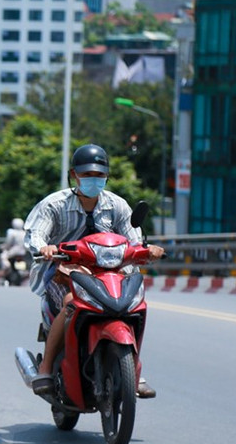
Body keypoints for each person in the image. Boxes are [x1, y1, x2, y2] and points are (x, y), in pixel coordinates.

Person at [23, 143, 164, 399]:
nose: (93, 180)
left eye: (99, 175)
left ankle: (133, 368)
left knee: (132, 306)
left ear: (106, 176)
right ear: (74, 175)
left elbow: (133, 239)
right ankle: (45, 369)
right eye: (87, 175)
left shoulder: (118, 205)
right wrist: (44, 248)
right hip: (63, 272)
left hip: (108, 274)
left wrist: (147, 249)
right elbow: (36, 235)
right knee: (70, 304)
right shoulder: (54, 205)